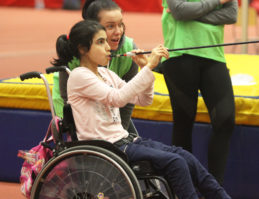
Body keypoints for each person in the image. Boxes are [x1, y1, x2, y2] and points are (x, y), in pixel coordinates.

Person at [52, 19, 232, 199]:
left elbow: (144, 99)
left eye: (106, 41)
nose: (108, 47)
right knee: (176, 162)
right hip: (108, 148)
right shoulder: (79, 75)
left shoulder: (106, 74)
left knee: (185, 156)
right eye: (100, 42)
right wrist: (150, 67)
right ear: (83, 49)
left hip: (126, 141)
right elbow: (118, 98)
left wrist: (144, 67)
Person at [160, 0, 238, 185]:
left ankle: (214, 189)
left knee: (225, 120)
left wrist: (192, 14)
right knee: (184, 123)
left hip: (213, 54)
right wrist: (217, 2)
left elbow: (231, 15)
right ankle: (183, 188)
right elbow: (179, 11)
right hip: (180, 54)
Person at [52, 0, 143, 136]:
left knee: (132, 144)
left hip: (109, 112)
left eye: (121, 24)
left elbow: (129, 100)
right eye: (110, 26)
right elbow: (67, 100)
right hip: (77, 114)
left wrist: (119, 133)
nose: (118, 32)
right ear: (92, 28)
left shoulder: (130, 49)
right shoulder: (75, 52)